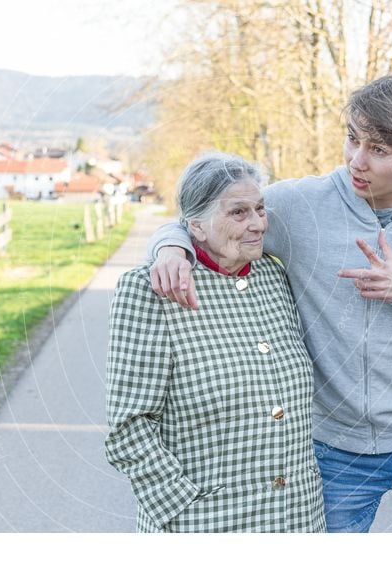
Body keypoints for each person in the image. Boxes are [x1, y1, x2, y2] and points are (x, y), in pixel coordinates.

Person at [147, 73, 392, 533]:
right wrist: (170, 247)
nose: (357, 160)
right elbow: (206, 216)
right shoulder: (300, 206)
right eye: (353, 139)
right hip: (335, 452)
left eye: (379, 149)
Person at [105, 152, 326, 533]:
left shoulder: (274, 278)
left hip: (298, 518)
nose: (258, 224)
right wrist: (180, 505)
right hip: (205, 522)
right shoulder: (150, 291)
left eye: (260, 209)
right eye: (238, 213)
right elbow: (128, 427)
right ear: (196, 225)